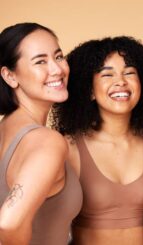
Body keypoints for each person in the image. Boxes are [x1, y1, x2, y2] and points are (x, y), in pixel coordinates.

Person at [51, 36, 143, 245]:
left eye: (129, 72)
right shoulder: (67, 146)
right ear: (89, 89)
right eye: (107, 74)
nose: (121, 81)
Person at [0, 23, 82, 244]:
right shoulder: (47, 141)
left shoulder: (5, 128)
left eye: (58, 56)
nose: (57, 69)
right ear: (10, 76)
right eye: (40, 62)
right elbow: (8, 223)